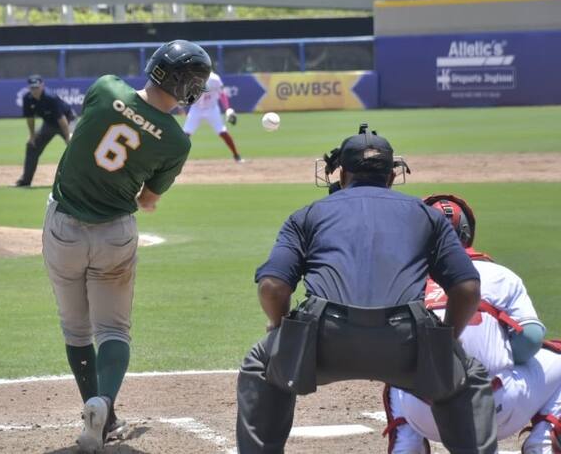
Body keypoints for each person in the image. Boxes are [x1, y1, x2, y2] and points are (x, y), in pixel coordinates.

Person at [236, 124, 498, 454]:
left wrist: (280, 329)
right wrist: (447, 338)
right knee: (467, 375)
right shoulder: (425, 216)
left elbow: (273, 286)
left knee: (261, 365)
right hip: (407, 342)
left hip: (322, 341)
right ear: (391, 175)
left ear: (341, 174)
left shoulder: (308, 215)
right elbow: (468, 288)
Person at [42, 40, 210, 452]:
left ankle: (94, 406)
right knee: (113, 329)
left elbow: (89, 134)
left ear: (154, 67)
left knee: (75, 327)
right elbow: (148, 200)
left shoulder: (105, 87)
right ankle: (106, 406)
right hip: (115, 233)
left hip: (63, 226)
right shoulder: (176, 140)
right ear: (191, 88)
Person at [384, 194, 561, 454]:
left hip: (425, 415)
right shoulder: (500, 276)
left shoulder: (403, 281)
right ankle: (542, 443)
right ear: (468, 234)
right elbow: (531, 340)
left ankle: (406, 446)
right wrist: (502, 352)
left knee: (395, 378)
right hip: (498, 411)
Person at [14, 75, 72, 187]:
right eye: (32, 88)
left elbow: (62, 119)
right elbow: (30, 119)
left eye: (37, 87)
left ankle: (81, 182)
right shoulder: (27, 98)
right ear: (29, 88)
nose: (35, 90)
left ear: (42, 86)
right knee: (32, 146)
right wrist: (32, 136)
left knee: (76, 148)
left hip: (67, 121)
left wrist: (68, 136)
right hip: (49, 124)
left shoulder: (51, 97)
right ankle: (25, 181)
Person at [182, 70, 243, 163]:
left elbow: (222, 93)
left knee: (222, 132)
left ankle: (236, 155)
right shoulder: (192, 78)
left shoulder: (214, 78)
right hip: (196, 109)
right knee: (185, 134)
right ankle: (175, 159)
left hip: (211, 109)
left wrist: (227, 109)